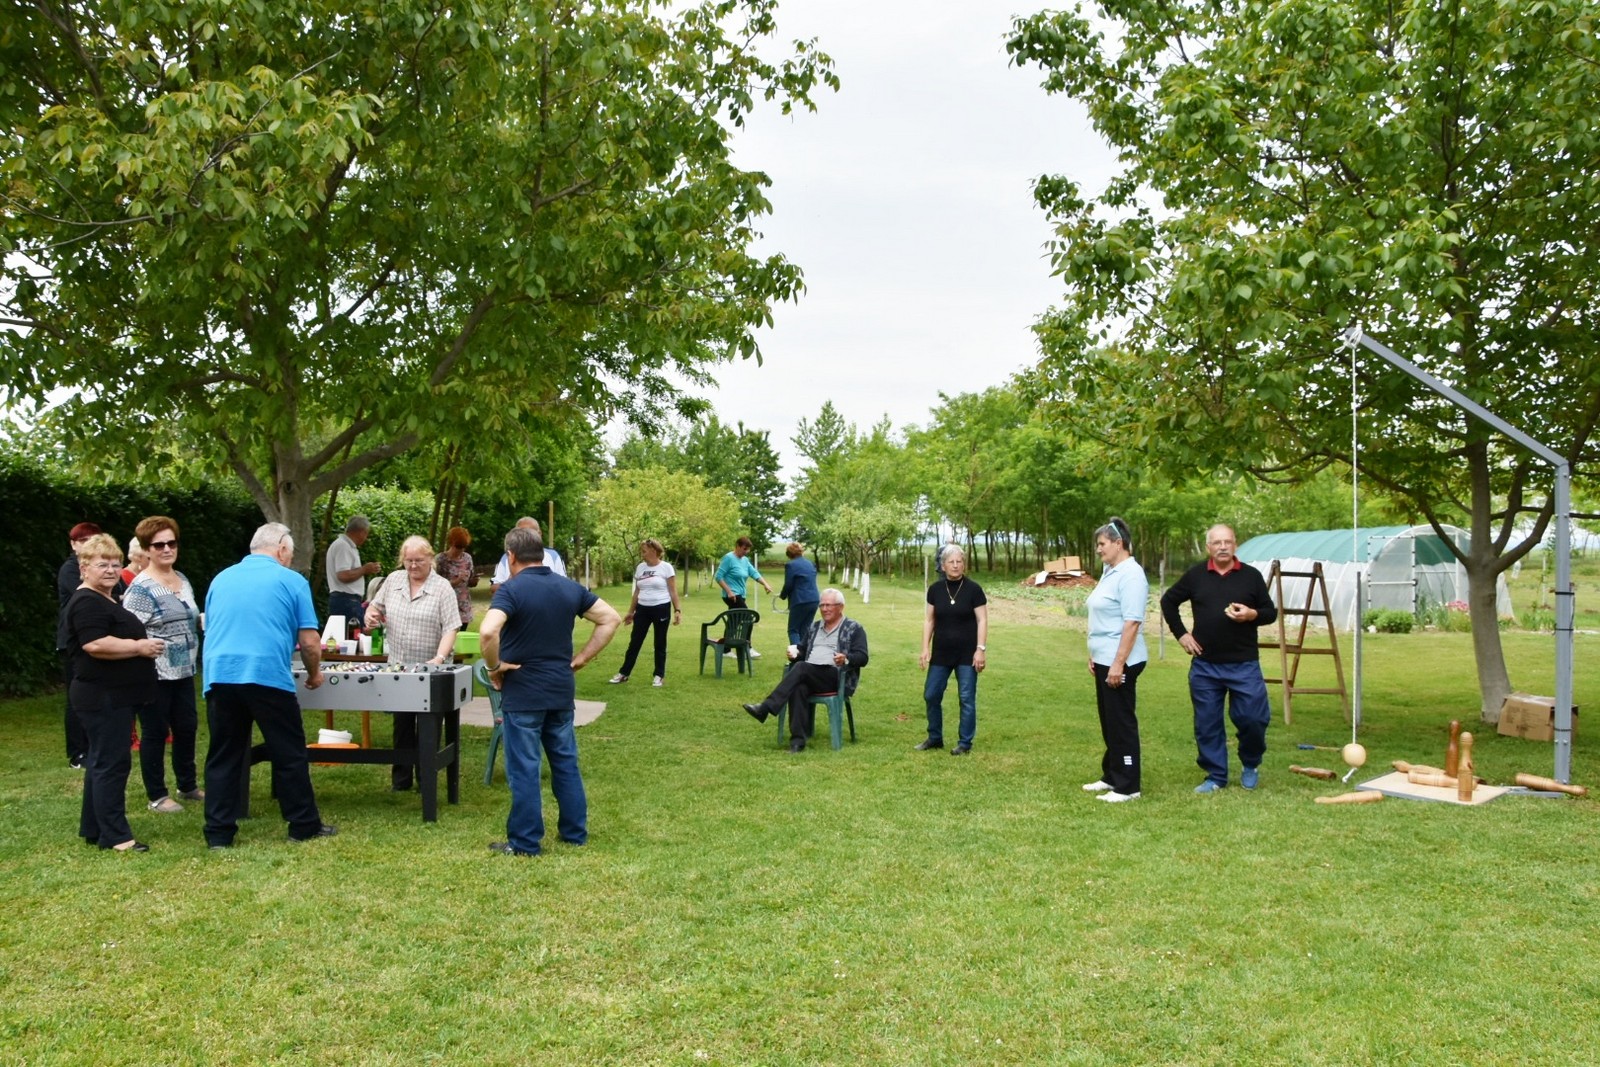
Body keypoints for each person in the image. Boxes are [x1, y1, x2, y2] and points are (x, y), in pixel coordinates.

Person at [479, 526, 620, 857]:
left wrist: (494, 667)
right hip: (560, 689)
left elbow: (487, 632)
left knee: (524, 768)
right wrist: (582, 659)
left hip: (523, 692)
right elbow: (610, 619)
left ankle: (525, 843)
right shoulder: (568, 588)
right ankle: (574, 833)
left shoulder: (510, 591)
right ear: (542, 554)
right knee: (565, 762)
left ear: (510, 556)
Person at [202, 522, 337, 846]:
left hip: (220, 674)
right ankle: (303, 825)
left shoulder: (221, 579)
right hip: (267, 676)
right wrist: (315, 674)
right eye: (290, 553)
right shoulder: (291, 581)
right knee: (288, 752)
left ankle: (218, 833)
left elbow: (212, 627)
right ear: (281, 548)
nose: (290, 559)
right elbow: (310, 642)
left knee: (223, 754)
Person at [61, 533, 164, 852]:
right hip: (101, 695)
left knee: (101, 761)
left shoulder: (106, 597)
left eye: (115, 564)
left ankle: (95, 828)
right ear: (84, 568)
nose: (110, 570)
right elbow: (95, 644)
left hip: (113, 694)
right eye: (101, 564)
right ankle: (116, 836)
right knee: (111, 763)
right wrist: (139, 646)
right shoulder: (86, 601)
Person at [1160, 523, 1280, 793]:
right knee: (1207, 724)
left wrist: (1252, 615)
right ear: (1208, 548)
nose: (1223, 546)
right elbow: (1168, 601)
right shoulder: (1196, 576)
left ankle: (1250, 762)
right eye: (1217, 543)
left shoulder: (1250, 576)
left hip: (1244, 664)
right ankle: (1216, 776)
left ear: (1235, 545)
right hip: (1205, 665)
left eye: (1228, 542)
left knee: (1253, 718)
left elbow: (1270, 612)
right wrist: (1181, 635)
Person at [366, 536, 461, 791]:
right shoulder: (394, 580)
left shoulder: (442, 588)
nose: (413, 566)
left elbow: (452, 627)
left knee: (429, 725)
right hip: (399, 665)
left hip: (431, 667)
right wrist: (372, 615)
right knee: (402, 724)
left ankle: (426, 778)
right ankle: (401, 779)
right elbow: (375, 606)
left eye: (418, 561)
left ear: (430, 559)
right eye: (408, 561)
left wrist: (439, 658)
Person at [122, 515, 204, 814]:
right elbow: (130, 631)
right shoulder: (141, 589)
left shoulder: (182, 579)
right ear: (147, 550)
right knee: (155, 732)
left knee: (187, 727)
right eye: (159, 545)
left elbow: (189, 617)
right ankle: (157, 794)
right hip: (154, 672)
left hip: (184, 669)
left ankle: (187, 785)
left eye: (172, 543)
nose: (167, 549)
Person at [741, 588, 868, 752]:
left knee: (801, 669)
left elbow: (863, 657)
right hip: (810, 674)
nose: (824, 609)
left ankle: (766, 708)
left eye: (829, 605)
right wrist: (795, 653)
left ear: (840, 607)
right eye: (822, 605)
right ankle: (797, 742)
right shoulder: (815, 627)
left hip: (835, 676)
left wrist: (846, 658)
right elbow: (802, 650)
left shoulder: (854, 628)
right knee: (798, 687)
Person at [1083, 518, 1149, 803]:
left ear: (1118, 543)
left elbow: (1131, 622)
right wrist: (1095, 656)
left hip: (1120, 660)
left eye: (1101, 544)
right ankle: (1112, 775)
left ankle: (1128, 785)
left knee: (1121, 722)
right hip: (1104, 658)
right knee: (1109, 721)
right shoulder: (1111, 571)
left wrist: (1117, 663)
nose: (1098, 550)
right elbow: (1101, 615)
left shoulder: (1131, 575)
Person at [916, 545, 988, 755]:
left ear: (964, 564)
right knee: (931, 694)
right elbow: (929, 620)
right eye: (951, 562)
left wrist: (980, 649)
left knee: (966, 698)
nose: (956, 566)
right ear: (943, 565)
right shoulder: (935, 590)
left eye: (959, 562)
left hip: (967, 654)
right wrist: (924, 648)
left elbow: (982, 620)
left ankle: (965, 743)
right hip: (941, 653)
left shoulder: (974, 589)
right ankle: (935, 737)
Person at [57, 521, 117, 768]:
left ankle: (95, 745)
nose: (88, 544)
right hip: (74, 641)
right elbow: (95, 594)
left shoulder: (104, 568)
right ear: (73, 544)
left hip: (96, 635)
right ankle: (77, 752)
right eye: (82, 541)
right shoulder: (71, 569)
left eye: (93, 539)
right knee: (76, 697)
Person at [609, 538, 682, 687]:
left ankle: (659, 675)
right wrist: (631, 612)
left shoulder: (666, 567)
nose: (642, 554)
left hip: (661, 607)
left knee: (660, 643)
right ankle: (624, 673)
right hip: (642, 609)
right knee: (635, 642)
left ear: (654, 551)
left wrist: (677, 610)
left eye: (644, 551)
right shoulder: (640, 567)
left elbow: (673, 591)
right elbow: (637, 591)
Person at [714, 535, 771, 657]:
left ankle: (725, 650)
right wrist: (729, 591)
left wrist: (765, 584)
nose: (746, 552)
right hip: (732, 596)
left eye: (748, 549)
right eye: (744, 549)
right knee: (748, 618)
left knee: (733, 622)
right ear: (738, 546)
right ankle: (747, 648)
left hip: (741, 595)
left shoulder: (744, 560)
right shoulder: (728, 558)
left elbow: (753, 573)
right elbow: (718, 577)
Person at [325, 514, 381, 626]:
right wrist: (365, 569)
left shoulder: (345, 545)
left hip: (345, 600)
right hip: (346, 600)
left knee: (350, 636)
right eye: (366, 534)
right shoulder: (343, 546)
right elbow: (343, 575)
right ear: (361, 531)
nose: (366, 538)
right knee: (351, 638)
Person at [490, 516, 567, 583]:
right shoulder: (508, 556)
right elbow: (494, 586)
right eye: (521, 534)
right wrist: (511, 580)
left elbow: (563, 583)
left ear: (539, 534)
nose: (526, 537)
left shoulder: (553, 556)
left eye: (530, 534)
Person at [434, 525, 478, 630]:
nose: (461, 550)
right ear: (451, 543)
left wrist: (473, 581)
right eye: (458, 546)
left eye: (463, 546)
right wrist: (456, 581)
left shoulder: (467, 558)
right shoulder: (440, 560)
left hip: (463, 608)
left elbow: (469, 582)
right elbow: (434, 585)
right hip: (446, 607)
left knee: (461, 641)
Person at [778, 541, 820, 646]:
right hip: (814, 600)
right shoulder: (811, 564)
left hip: (800, 600)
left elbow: (788, 584)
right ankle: (805, 658)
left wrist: (782, 595)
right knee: (805, 630)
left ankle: (797, 658)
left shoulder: (790, 565)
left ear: (789, 554)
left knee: (793, 630)